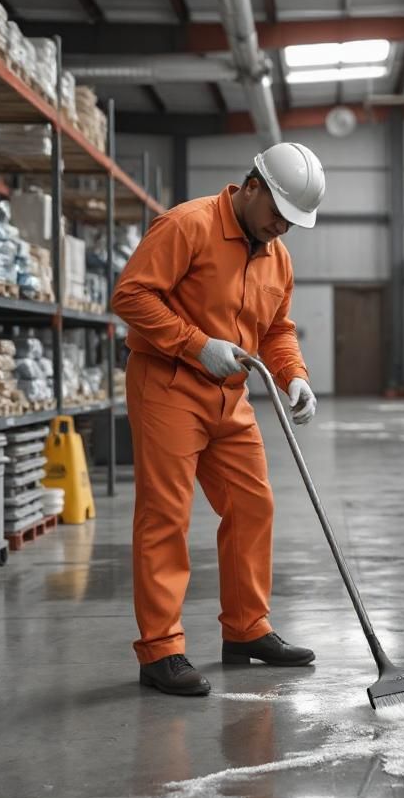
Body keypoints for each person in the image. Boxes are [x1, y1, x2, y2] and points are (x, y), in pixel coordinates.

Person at [112, 142, 324, 696]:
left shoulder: (277, 256)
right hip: (168, 385)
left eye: (292, 223)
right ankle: (160, 652)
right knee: (166, 516)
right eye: (278, 214)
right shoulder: (187, 226)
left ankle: (247, 631)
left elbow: (277, 328)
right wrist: (195, 343)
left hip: (230, 398)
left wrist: (293, 375)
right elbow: (131, 295)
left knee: (253, 505)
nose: (281, 227)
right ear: (251, 186)